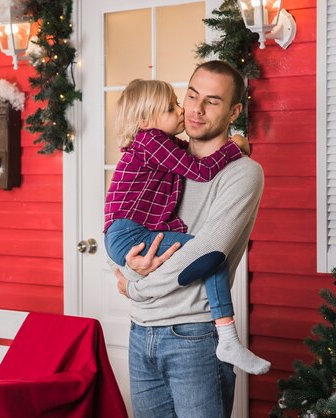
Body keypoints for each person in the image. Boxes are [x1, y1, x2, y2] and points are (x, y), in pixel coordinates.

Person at [115, 60, 270, 418]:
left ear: (234, 111)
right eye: (191, 95)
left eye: (212, 101)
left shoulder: (243, 173)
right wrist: (126, 265)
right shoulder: (158, 156)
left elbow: (206, 252)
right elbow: (121, 222)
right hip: (141, 330)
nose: (195, 109)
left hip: (194, 337)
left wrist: (136, 286)